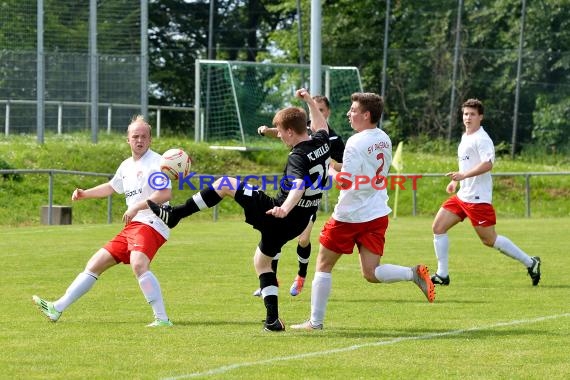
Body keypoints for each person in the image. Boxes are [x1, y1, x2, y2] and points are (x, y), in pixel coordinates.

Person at [147, 88, 331, 332]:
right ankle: (272, 320)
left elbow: (297, 185)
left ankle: (175, 214)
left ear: (290, 131)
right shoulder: (322, 142)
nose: (279, 137)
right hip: (299, 221)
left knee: (225, 184)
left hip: (279, 213)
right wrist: (308, 100)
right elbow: (322, 125)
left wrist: (284, 208)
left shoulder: (298, 156)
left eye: (280, 132)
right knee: (262, 262)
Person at [291, 92, 435, 331]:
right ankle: (413, 274)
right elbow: (362, 170)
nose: (349, 113)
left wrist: (330, 169)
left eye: (353, 110)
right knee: (371, 272)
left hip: (349, 214)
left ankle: (315, 322)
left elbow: (346, 181)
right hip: (376, 212)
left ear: (366, 115)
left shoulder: (355, 143)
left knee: (323, 265)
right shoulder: (384, 138)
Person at [32, 115, 174, 327]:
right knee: (95, 264)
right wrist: (85, 194)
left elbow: (165, 194)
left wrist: (136, 206)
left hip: (152, 222)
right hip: (134, 226)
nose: (140, 140)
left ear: (150, 139)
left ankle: (162, 319)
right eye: (135, 136)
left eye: (144, 136)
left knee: (139, 264)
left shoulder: (157, 163)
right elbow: (111, 187)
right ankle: (56, 308)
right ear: (128, 139)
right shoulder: (126, 166)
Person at [430, 98, 541, 287]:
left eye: (472, 114)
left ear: (480, 117)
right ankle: (442, 274)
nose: (468, 117)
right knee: (438, 228)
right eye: (465, 114)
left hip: (477, 199)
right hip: (462, 196)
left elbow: (488, 164)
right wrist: (455, 182)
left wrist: (463, 175)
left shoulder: (482, 138)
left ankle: (531, 263)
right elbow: (467, 164)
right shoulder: (466, 137)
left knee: (489, 240)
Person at [256, 95, 345, 297]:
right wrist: (266, 131)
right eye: (316, 109)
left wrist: (333, 170)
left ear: (327, 112)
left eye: (321, 110)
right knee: (275, 236)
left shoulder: (331, 140)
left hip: (307, 203)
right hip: (294, 199)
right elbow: (286, 131)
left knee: (303, 239)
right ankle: (271, 278)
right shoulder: (314, 136)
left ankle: (300, 276)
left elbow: (343, 163)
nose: (318, 113)